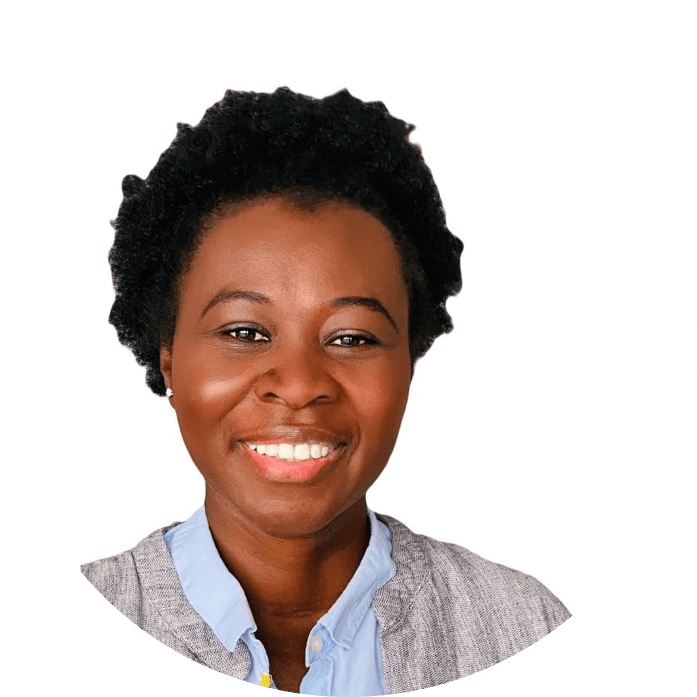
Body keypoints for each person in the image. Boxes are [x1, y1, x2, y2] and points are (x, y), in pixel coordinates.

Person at [81, 87, 570, 693]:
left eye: (352, 338)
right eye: (244, 332)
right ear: (170, 360)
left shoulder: (521, 629)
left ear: (409, 363)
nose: (300, 385)